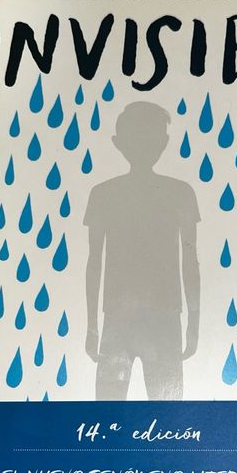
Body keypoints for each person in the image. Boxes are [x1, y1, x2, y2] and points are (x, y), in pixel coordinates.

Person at [84, 101, 200, 399]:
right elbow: (94, 262)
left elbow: (190, 260)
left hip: (161, 318)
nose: (147, 145)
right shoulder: (103, 194)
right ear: (119, 142)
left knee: (165, 409)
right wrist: (92, 326)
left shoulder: (180, 193)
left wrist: (194, 323)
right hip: (121, 319)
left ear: (164, 142)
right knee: (110, 408)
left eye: (154, 137)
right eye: (139, 137)